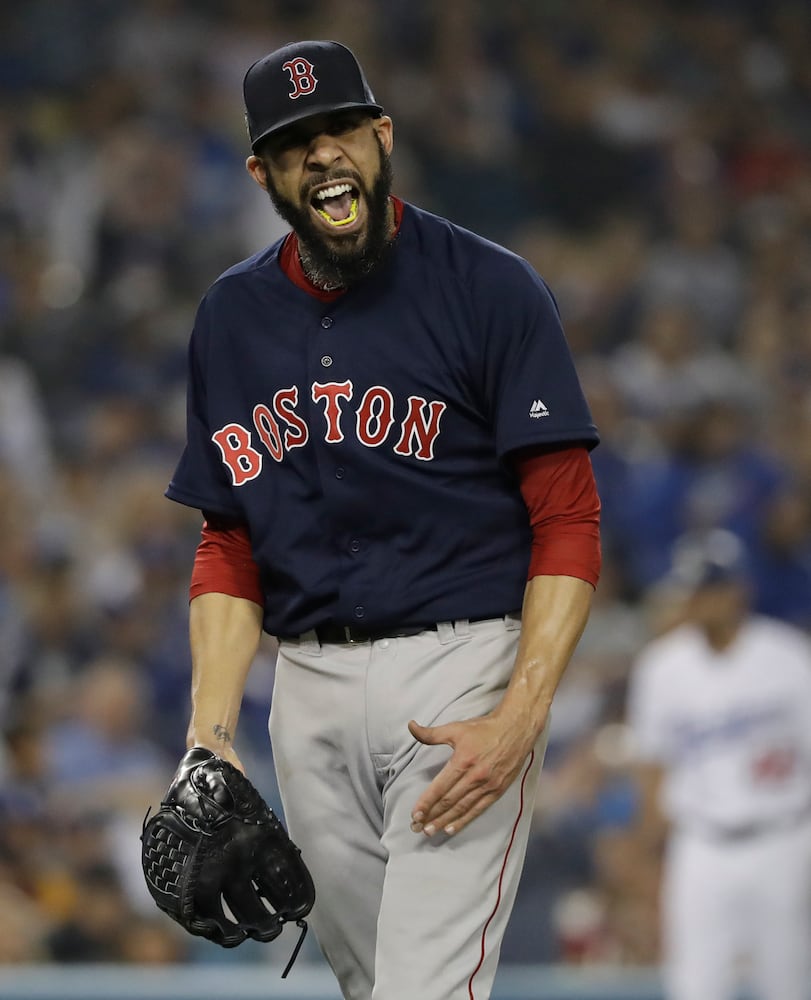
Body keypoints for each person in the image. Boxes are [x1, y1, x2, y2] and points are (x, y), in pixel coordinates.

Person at [166, 39, 601, 1000]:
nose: (322, 155)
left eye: (339, 130)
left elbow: (567, 514)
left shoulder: (487, 286)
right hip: (307, 693)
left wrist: (521, 714)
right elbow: (228, 539)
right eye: (293, 144)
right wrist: (210, 736)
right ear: (263, 174)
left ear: (381, 136)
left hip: (459, 677)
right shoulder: (230, 316)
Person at [626, 529, 811, 1000]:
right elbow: (651, 769)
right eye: (694, 589)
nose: (699, 600)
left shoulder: (788, 657)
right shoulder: (662, 667)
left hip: (783, 837)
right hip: (700, 845)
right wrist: (648, 861)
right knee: (695, 986)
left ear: (738, 589)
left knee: (787, 983)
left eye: (710, 588)